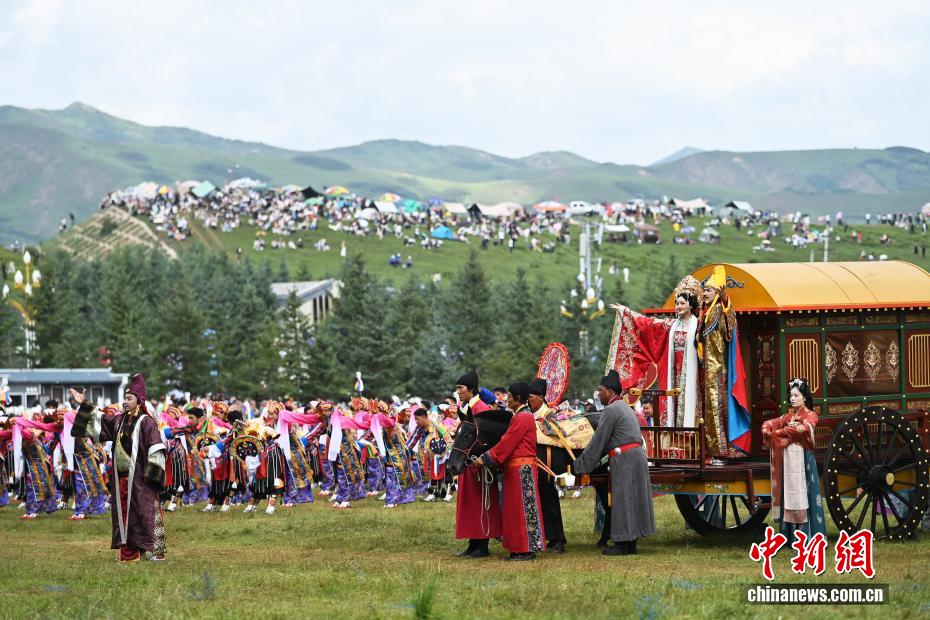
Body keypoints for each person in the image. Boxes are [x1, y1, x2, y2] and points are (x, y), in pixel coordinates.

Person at [70, 374, 168, 562]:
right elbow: (100, 418)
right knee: (124, 515)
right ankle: (129, 553)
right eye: (125, 398)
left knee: (144, 513)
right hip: (121, 479)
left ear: (139, 401)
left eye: (129, 398)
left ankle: (152, 552)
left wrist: (153, 479)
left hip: (141, 479)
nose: (125, 402)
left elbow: (156, 449)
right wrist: (84, 403)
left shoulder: (146, 422)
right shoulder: (119, 421)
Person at [571, 370, 655, 556]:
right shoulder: (625, 407)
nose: (598, 393)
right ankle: (630, 543)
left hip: (625, 459)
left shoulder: (611, 410)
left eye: (600, 390)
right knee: (632, 499)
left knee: (623, 499)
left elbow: (598, 441)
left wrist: (579, 466)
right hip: (636, 457)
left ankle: (622, 544)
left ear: (609, 391)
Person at [477, 381, 545, 561]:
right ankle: (517, 549)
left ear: (518, 398)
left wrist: (486, 458)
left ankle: (525, 550)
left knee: (521, 511)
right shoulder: (520, 415)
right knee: (514, 511)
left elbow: (507, 442)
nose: (506, 399)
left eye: (509, 396)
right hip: (516, 469)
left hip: (522, 470)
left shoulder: (523, 417)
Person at [696, 265, 751, 462]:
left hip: (718, 370)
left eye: (709, 290)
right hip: (707, 371)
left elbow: (729, 330)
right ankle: (711, 451)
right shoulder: (706, 312)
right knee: (708, 413)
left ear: (718, 293)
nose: (705, 294)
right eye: (704, 290)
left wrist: (726, 301)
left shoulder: (720, 309)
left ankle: (721, 451)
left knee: (717, 412)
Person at [762, 379, 826, 537]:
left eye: (796, 395)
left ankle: (808, 535)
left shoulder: (811, 415)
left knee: (806, 493)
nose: (792, 398)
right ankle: (790, 536)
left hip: (804, 462)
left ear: (805, 397)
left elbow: (803, 429)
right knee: (789, 493)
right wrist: (767, 428)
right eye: (791, 395)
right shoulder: (789, 417)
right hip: (789, 462)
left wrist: (778, 433)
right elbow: (771, 422)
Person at [454, 370, 503, 559]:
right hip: (468, 462)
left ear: (471, 389)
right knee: (471, 504)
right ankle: (473, 543)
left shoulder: (481, 409)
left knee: (480, 503)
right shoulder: (468, 408)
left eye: (461, 388)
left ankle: (482, 545)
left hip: (479, 464)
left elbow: (487, 438)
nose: (458, 391)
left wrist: (482, 460)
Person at [527, 378, 566, 554]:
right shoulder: (531, 414)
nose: (529, 400)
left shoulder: (548, 414)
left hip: (550, 464)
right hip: (537, 463)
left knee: (550, 500)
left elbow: (557, 434)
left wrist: (541, 426)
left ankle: (559, 539)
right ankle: (550, 536)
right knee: (542, 500)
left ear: (541, 397)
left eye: (532, 397)